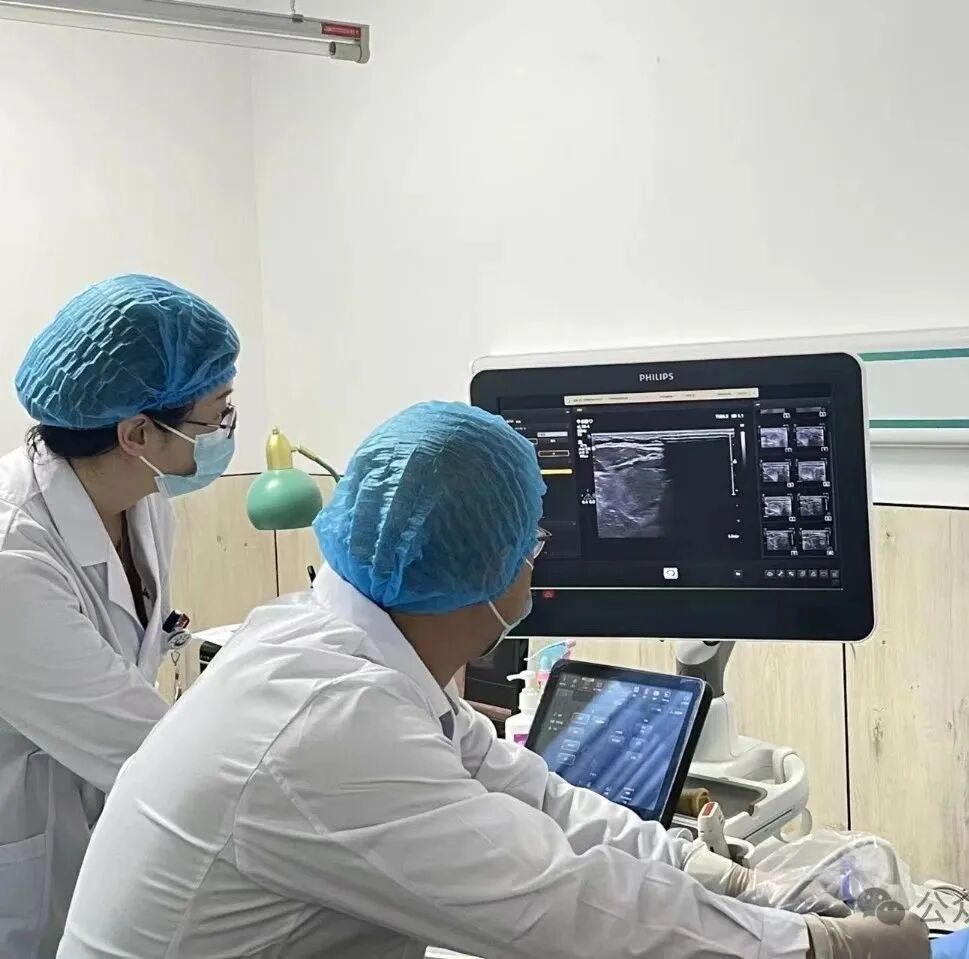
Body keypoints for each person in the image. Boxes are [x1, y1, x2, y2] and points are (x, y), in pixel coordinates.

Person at [58, 402, 928, 959]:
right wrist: (810, 946)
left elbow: (529, 792)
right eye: (529, 540)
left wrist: (717, 872)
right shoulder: (331, 717)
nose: (534, 559)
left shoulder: (341, 642)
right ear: (481, 567)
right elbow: (565, 905)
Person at [0, 274, 240, 958]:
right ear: (137, 432)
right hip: (24, 872)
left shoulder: (143, 497)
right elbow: (143, 749)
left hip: (103, 833)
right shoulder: (10, 556)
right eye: (217, 415)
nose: (226, 432)